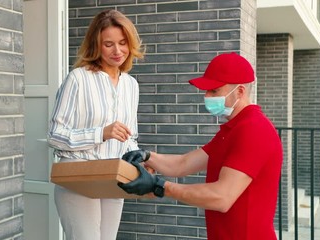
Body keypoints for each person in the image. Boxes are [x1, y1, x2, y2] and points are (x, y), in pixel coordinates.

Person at [119, 52, 283, 239]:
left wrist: (160, 186)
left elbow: (222, 197)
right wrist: (147, 156)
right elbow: (183, 163)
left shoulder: (254, 130)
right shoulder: (232, 130)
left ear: (240, 91)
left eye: (214, 91)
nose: (207, 96)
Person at [47, 9, 145, 240]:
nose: (117, 50)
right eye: (108, 44)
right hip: (78, 178)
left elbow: (130, 137)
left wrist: (140, 160)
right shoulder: (78, 79)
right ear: (96, 45)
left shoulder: (131, 85)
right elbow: (55, 135)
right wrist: (101, 133)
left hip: (113, 179)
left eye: (123, 42)